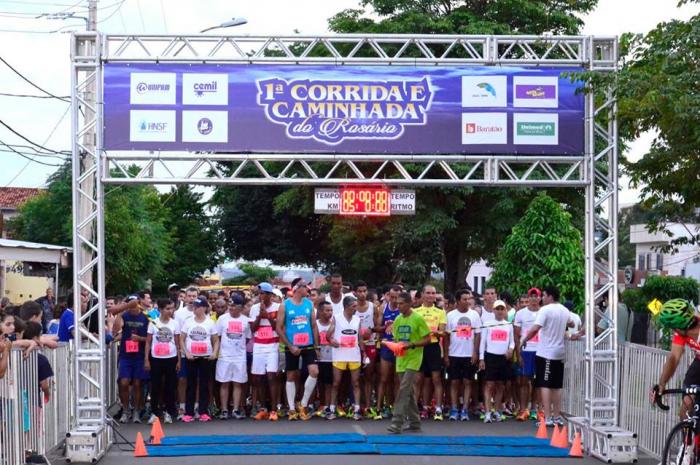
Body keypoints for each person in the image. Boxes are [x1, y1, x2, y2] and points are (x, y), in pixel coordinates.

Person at [520, 286, 573, 427]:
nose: (541, 298)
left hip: (546, 353)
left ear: (550, 296)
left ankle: (548, 417)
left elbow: (535, 328)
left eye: (543, 295)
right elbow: (572, 323)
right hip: (559, 352)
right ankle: (556, 416)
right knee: (556, 386)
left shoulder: (545, 310)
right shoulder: (564, 310)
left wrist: (525, 339)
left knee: (545, 385)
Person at [386, 292, 431, 434]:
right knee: (409, 392)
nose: (398, 306)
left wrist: (411, 344)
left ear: (409, 303)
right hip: (401, 359)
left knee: (403, 389)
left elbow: (427, 339)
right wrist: (393, 345)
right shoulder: (398, 319)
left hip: (413, 359)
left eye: (401, 303)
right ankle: (415, 422)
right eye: (397, 303)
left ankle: (396, 422)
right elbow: (397, 339)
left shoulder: (418, 319)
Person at [276, 278, 320, 421]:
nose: (307, 289)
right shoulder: (285, 305)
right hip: (292, 345)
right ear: (297, 288)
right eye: (305, 287)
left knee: (314, 371)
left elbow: (313, 325)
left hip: (308, 344)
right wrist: (290, 345)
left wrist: (317, 346)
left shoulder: (309, 304)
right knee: (291, 376)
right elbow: (279, 328)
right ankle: (292, 409)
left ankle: (303, 404)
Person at [654, 299, 700, 419]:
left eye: (673, 328)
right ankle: (687, 435)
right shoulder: (681, 333)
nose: (673, 331)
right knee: (685, 410)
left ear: (678, 327)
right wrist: (662, 384)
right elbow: (674, 357)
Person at [180, 296, 220, 422]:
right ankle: (189, 412)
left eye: (197, 307)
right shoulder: (188, 321)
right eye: (194, 306)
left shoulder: (210, 322)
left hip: (206, 357)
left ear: (203, 308)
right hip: (191, 357)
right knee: (191, 384)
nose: (195, 309)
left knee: (204, 384)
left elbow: (216, 340)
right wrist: (186, 353)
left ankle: (203, 411)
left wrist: (214, 352)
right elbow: (181, 338)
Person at [444, 289, 482, 421]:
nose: (467, 301)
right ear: (458, 300)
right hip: (454, 353)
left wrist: (475, 352)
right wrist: (446, 355)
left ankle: (465, 409)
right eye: (465, 299)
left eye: (469, 299)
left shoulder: (474, 315)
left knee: (467, 381)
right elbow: (446, 337)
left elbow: (477, 335)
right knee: (454, 382)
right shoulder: (450, 316)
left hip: (468, 354)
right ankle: (454, 409)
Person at [113, 294, 150, 423]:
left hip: (139, 355)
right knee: (123, 382)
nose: (132, 307)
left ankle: (136, 411)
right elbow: (115, 330)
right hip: (126, 355)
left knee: (137, 384)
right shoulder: (124, 315)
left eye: (134, 304)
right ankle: (125, 409)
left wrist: (140, 339)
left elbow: (151, 338)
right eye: (130, 304)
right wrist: (121, 310)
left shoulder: (146, 317)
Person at [327, 295, 364, 420]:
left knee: (356, 383)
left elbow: (360, 338)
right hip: (339, 355)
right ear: (347, 307)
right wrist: (332, 341)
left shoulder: (357, 319)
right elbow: (328, 336)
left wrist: (364, 354)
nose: (356, 308)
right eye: (354, 306)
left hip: (354, 355)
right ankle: (332, 409)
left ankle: (357, 410)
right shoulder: (336, 318)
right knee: (336, 383)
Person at [144, 298, 180, 425]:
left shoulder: (175, 324)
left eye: (172, 308)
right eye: (167, 309)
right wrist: (146, 359)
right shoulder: (153, 323)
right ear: (160, 310)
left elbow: (177, 342)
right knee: (155, 386)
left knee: (170, 387)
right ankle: (155, 412)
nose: (170, 311)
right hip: (156, 359)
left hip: (171, 358)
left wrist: (179, 360)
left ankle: (168, 412)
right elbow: (148, 342)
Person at [249, 282, 282, 421]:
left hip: (273, 345)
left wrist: (268, 317)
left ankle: (274, 410)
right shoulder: (254, 308)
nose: (261, 296)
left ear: (270, 295)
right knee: (258, 377)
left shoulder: (278, 307)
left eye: (263, 293)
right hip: (259, 345)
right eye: (259, 293)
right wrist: (259, 316)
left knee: (271, 376)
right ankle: (263, 409)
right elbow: (253, 329)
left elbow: (278, 328)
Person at [414, 285, 447, 421]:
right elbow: (413, 331)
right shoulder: (415, 311)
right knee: (418, 380)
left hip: (433, 347)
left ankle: (438, 408)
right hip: (420, 348)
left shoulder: (440, 311)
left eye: (433, 293)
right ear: (422, 294)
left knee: (436, 379)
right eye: (428, 293)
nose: (431, 295)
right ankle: (419, 409)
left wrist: (436, 332)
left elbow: (443, 332)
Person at [215, 294, 251, 420]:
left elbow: (247, 338)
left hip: (239, 356)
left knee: (237, 383)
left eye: (234, 306)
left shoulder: (246, 320)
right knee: (224, 383)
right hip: (224, 356)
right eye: (230, 305)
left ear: (240, 308)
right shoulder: (222, 319)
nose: (231, 308)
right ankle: (224, 409)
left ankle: (235, 409)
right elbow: (218, 337)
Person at [479, 299, 514, 423]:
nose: (499, 311)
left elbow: (512, 342)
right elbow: (482, 342)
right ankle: (488, 412)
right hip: (490, 357)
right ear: (493, 310)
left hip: (503, 358)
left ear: (505, 310)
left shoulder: (508, 325)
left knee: (500, 386)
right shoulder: (488, 323)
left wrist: (510, 349)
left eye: (502, 309)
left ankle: (497, 410)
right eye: (497, 309)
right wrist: (481, 358)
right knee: (489, 385)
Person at [514, 287, 542, 421]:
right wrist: (518, 353)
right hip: (526, 350)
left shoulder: (544, 312)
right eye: (531, 296)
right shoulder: (520, 314)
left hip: (541, 350)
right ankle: (523, 409)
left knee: (537, 382)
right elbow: (516, 335)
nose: (533, 299)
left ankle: (534, 409)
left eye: (536, 296)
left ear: (540, 298)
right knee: (524, 381)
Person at [376, 285, 402, 420]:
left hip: (400, 347)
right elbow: (378, 327)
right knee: (384, 378)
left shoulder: (404, 310)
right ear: (388, 296)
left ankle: (396, 408)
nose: (394, 300)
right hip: (386, 346)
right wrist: (385, 327)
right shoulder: (383, 308)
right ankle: (380, 407)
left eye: (396, 297)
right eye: (391, 297)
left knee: (398, 380)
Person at [174, 286, 198, 419]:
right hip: (183, 353)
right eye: (189, 296)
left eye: (194, 296)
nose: (191, 299)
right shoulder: (179, 313)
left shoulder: (202, 312)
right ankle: (182, 407)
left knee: (197, 380)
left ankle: (196, 406)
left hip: (199, 353)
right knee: (182, 379)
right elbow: (177, 335)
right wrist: (180, 351)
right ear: (185, 296)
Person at [354, 280, 377, 417]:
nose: (362, 294)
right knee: (356, 379)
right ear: (355, 293)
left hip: (370, 344)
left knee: (369, 376)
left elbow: (379, 325)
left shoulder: (373, 307)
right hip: (354, 346)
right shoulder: (352, 307)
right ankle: (357, 404)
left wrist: (371, 329)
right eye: (360, 291)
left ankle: (368, 406)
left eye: (364, 291)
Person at [315, 300, 334, 417]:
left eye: (331, 310)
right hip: (319, 358)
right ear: (321, 312)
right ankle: (320, 404)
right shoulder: (315, 324)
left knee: (329, 384)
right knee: (319, 383)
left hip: (331, 358)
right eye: (327, 310)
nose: (330, 313)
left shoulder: (334, 324)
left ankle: (327, 406)